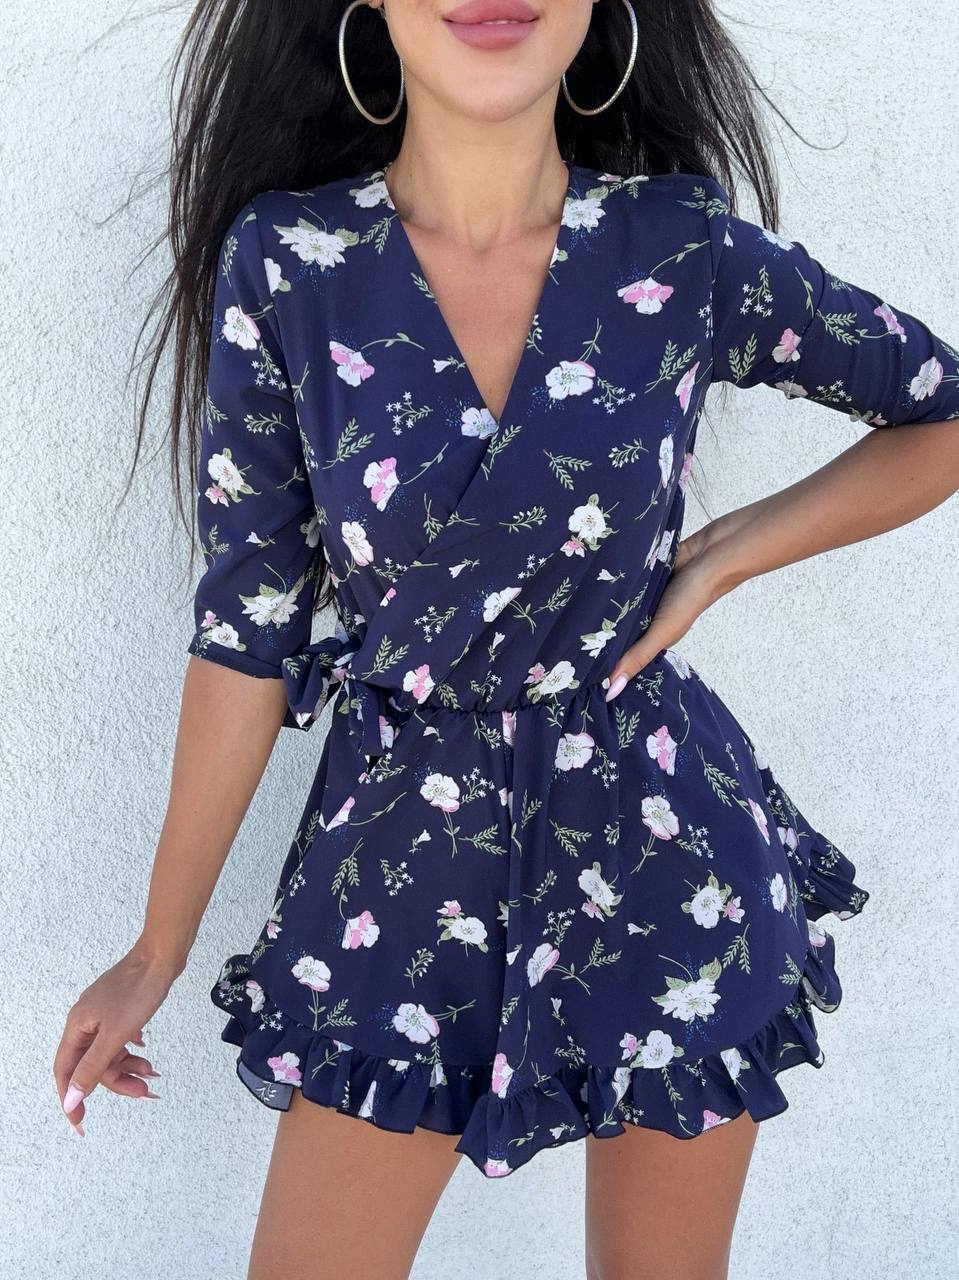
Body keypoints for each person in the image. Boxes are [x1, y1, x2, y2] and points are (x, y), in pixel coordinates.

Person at [54, 2, 959, 1277]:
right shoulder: (292, 265)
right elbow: (244, 634)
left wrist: (721, 558)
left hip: (660, 854)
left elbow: (938, 415)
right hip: (398, 872)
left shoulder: (678, 249)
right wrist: (158, 947)